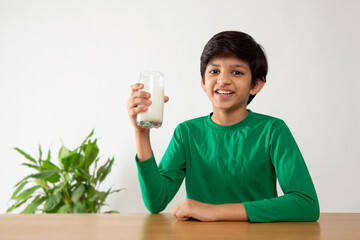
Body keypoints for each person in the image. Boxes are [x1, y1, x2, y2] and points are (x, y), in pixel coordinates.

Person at [127, 31, 320, 222]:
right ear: (203, 82)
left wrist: (215, 211)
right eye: (214, 71)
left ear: (256, 84)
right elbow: (156, 201)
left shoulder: (272, 130)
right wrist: (141, 133)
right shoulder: (186, 133)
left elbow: (306, 203)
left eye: (237, 72)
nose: (223, 80)